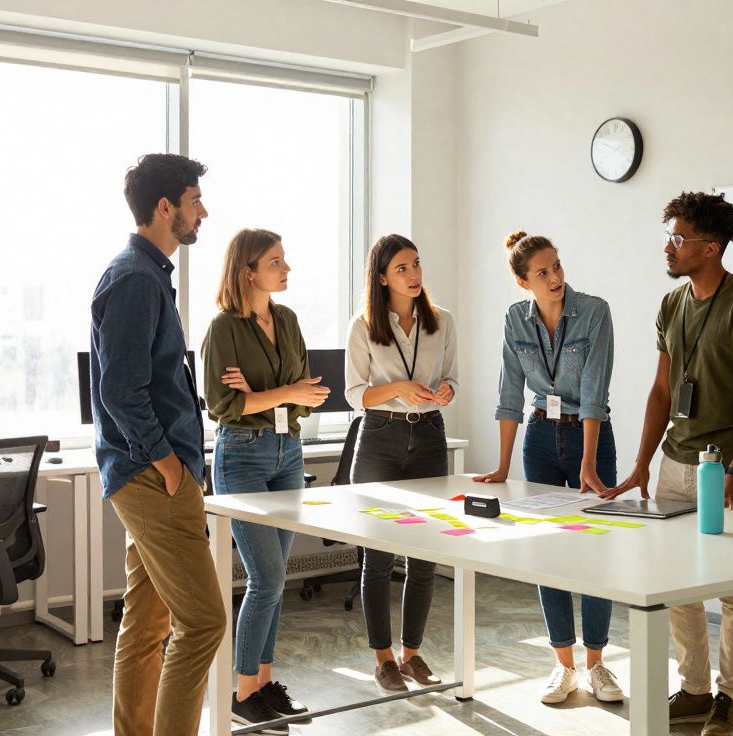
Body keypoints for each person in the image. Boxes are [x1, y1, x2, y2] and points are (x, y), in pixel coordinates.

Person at [606, 191, 733, 736]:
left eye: (678, 239)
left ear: (710, 247)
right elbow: (662, 390)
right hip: (675, 463)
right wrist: (641, 464)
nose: (669, 247)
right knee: (676, 585)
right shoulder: (672, 305)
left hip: (726, 469)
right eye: (669, 236)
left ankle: (728, 698)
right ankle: (696, 689)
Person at [89, 153, 224, 736]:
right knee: (203, 623)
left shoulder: (145, 274)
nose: (203, 212)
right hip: (153, 475)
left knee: (146, 627)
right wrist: (169, 464)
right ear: (165, 207)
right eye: (195, 201)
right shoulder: (136, 279)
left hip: (152, 471)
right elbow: (121, 389)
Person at [472, 231, 625, 705]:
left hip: (590, 437)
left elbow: (596, 392)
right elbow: (509, 393)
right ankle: (563, 666)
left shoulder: (595, 311)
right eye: (543, 272)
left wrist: (586, 459)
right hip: (539, 436)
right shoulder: (515, 319)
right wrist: (501, 465)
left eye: (557, 266)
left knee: (595, 551)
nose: (556, 277)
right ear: (524, 282)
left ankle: (598, 664)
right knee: (548, 551)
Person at [201, 228, 329, 732]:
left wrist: (267, 392)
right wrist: (284, 391)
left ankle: (263, 687)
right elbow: (223, 404)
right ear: (248, 269)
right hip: (242, 456)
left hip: (288, 451)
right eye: (276, 260)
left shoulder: (289, 320)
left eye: (285, 258)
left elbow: (308, 395)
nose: (287, 266)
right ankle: (240, 690)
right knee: (267, 578)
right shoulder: (223, 328)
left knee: (276, 580)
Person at [344, 234, 458, 693]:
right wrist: (397, 388)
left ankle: (412, 654)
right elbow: (356, 395)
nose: (414, 275)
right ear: (382, 277)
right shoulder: (363, 325)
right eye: (403, 269)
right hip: (379, 439)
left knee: (425, 558)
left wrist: (447, 390)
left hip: (429, 436)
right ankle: (383, 659)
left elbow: (451, 375)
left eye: (416, 264)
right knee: (378, 556)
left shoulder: (442, 321)